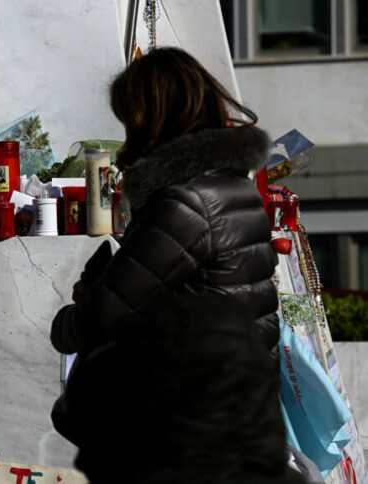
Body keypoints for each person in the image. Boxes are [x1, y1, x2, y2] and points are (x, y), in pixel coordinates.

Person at [50, 48, 304, 483]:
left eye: (130, 120)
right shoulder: (231, 187)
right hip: (235, 410)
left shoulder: (185, 204)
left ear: (153, 120)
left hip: (189, 426)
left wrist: (74, 311)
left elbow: (101, 317)